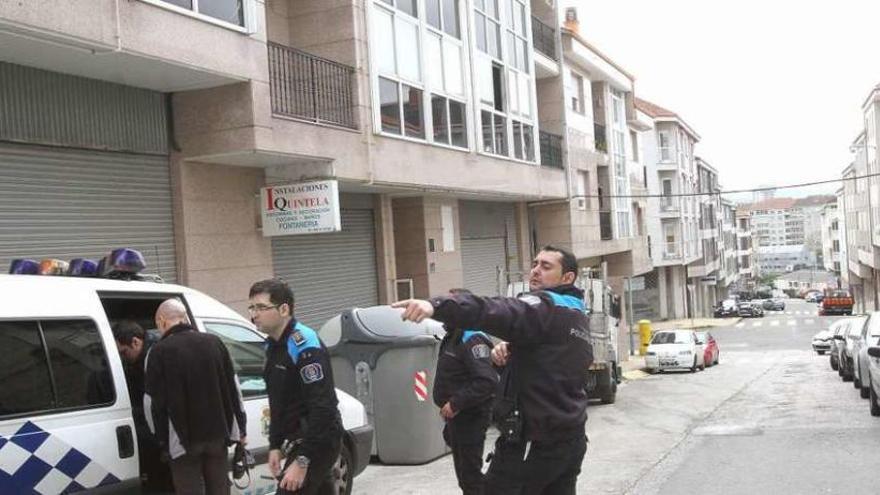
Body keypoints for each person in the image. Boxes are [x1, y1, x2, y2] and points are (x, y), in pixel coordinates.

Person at [393, 245, 593, 495]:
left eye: (546, 266)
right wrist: (513, 351)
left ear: (567, 278)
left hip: (534, 441)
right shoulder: (576, 315)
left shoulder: (544, 306)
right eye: (534, 264)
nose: (535, 271)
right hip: (570, 440)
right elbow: (553, 366)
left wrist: (437, 306)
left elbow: (495, 309)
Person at [248, 279, 343, 495]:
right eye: (251, 307)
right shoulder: (272, 346)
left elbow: (323, 406)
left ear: (284, 309)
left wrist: (302, 460)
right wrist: (275, 444)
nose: (254, 314)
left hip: (318, 439)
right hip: (298, 439)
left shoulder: (304, 343)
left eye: (261, 307)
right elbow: (277, 401)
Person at [144, 299, 247, 495]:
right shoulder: (215, 342)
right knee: (219, 489)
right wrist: (240, 428)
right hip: (218, 435)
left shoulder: (157, 352)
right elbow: (235, 389)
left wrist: (161, 440)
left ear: (162, 321)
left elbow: (151, 403)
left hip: (182, 441)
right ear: (185, 318)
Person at [433, 288, 498, 495]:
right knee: (465, 477)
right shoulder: (454, 335)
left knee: (471, 478)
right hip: (457, 419)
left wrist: (455, 403)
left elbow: (486, 381)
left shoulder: (471, 337)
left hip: (470, 417)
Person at [112, 320, 172, 491]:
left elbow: (157, 403)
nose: (123, 358)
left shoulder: (155, 358)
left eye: (124, 353)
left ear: (136, 342)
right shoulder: (137, 362)